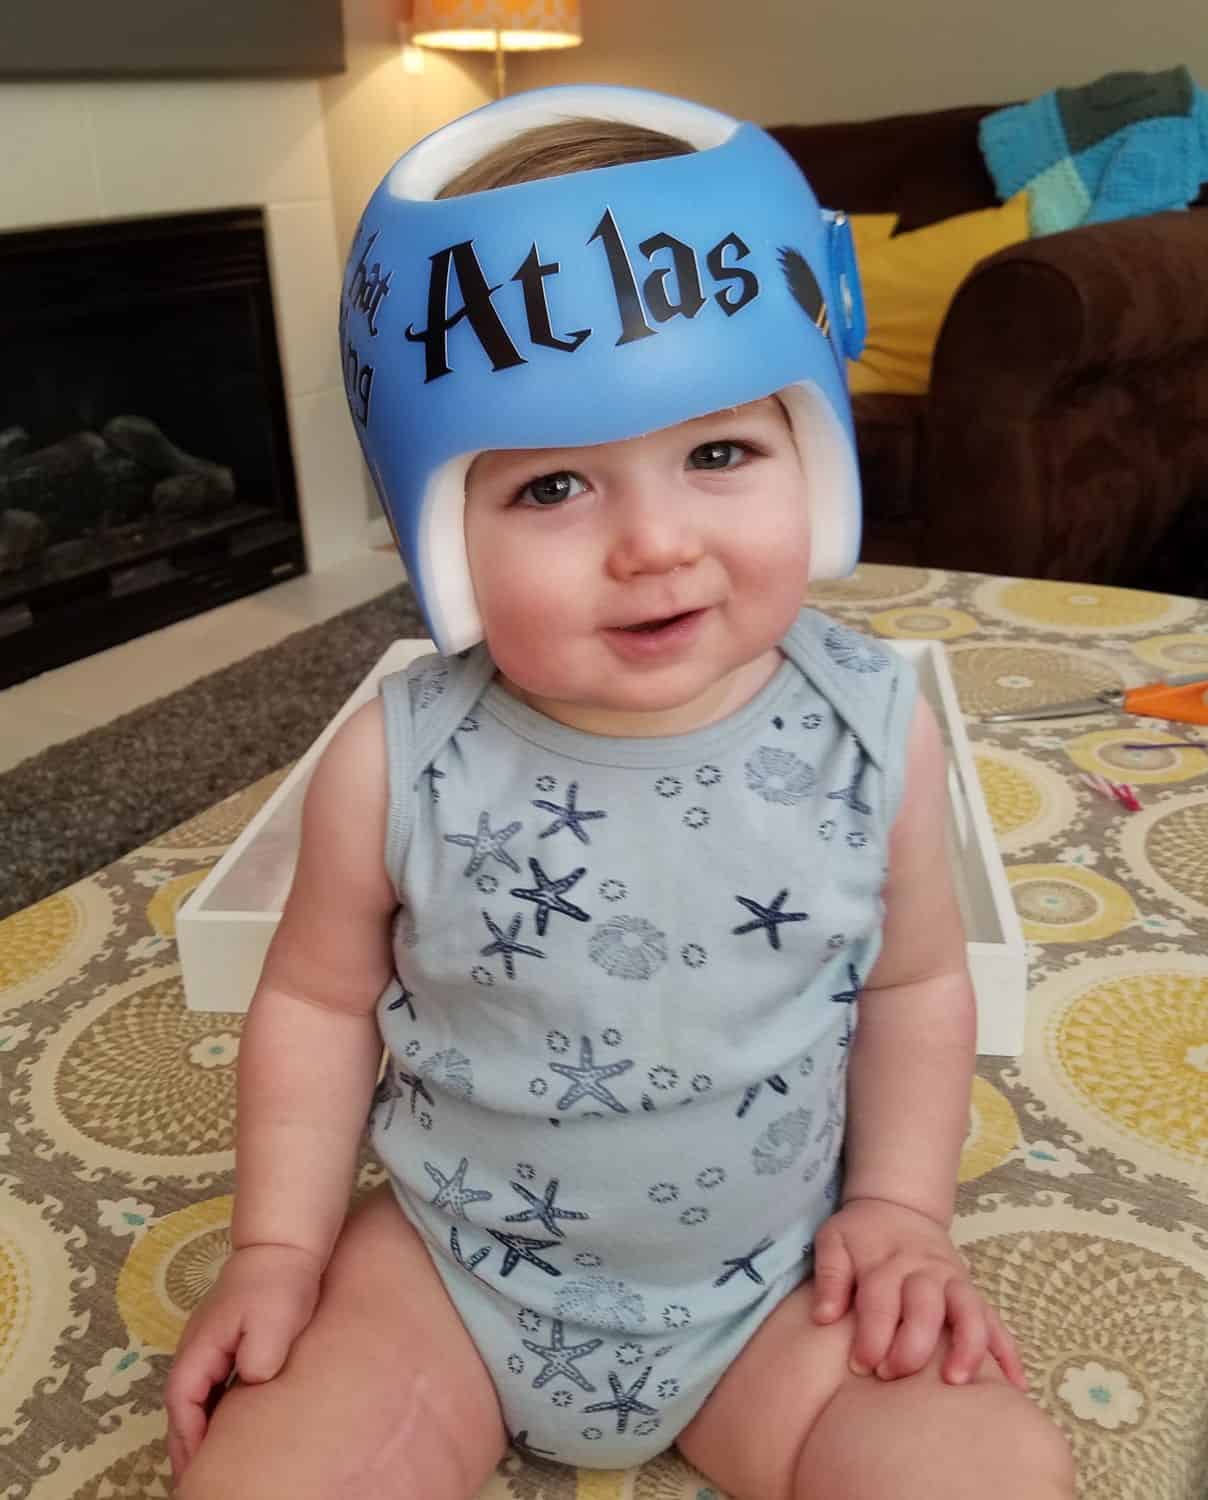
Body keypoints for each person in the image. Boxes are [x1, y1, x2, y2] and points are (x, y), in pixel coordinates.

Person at [165, 85, 1075, 1500]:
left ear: (814, 449)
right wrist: (278, 1249)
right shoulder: (394, 762)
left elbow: (912, 985)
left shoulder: (874, 733)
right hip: (451, 1278)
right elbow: (315, 1006)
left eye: (718, 454)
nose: (655, 544)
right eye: (552, 488)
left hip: (780, 1283)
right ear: (437, 523)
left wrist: (903, 1211)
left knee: (990, 1471)